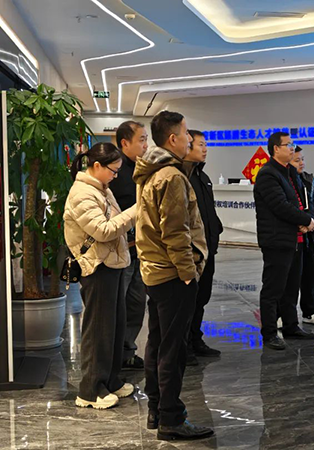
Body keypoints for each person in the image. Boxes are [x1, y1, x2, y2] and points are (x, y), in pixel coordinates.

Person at [133, 111, 213, 441]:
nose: (190, 139)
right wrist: (187, 273)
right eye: (186, 133)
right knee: (173, 349)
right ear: (172, 139)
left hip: (155, 271)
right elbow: (175, 231)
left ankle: (156, 409)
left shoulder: (150, 172)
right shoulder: (171, 176)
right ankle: (171, 418)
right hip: (172, 274)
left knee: (158, 342)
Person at [64, 142, 137, 410]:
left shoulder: (101, 188)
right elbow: (103, 231)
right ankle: (91, 390)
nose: (116, 176)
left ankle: (110, 380)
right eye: (113, 170)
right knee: (98, 329)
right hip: (96, 266)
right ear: (97, 166)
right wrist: (136, 210)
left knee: (114, 327)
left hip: (112, 263)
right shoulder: (82, 193)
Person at [254, 131, 314, 350]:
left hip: (295, 239)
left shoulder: (290, 172)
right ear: (276, 149)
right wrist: (305, 220)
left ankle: (291, 326)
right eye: (288, 145)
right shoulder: (267, 174)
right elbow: (280, 206)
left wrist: (305, 220)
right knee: (273, 289)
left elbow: (299, 203)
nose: (292, 148)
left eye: (293, 144)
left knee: (291, 287)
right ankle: (269, 333)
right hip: (277, 240)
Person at [109, 120, 148, 370]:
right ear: (125, 143)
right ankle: (112, 357)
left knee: (136, 304)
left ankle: (127, 351)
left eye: (146, 140)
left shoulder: (142, 169)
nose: (146, 145)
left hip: (141, 250)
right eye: (141, 140)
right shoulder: (114, 173)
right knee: (117, 306)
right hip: (120, 250)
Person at [184, 130, 223, 365]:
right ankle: (185, 346)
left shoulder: (203, 176)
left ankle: (196, 339)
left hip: (208, 250)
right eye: (201, 144)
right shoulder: (183, 177)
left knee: (202, 298)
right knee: (188, 301)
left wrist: (216, 229)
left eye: (206, 144)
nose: (205, 148)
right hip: (191, 253)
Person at [289, 146, 314, 326]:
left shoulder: (310, 181)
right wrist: (301, 223)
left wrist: (313, 221)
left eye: (302, 159)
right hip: (292, 236)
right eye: (297, 160)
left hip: (311, 236)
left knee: (309, 275)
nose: (301, 163)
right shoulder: (284, 182)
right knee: (289, 278)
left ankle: (309, 312)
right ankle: (283, 314)